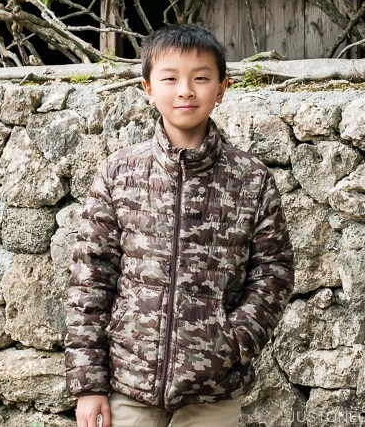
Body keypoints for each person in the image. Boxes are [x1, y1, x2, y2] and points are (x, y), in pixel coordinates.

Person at [65, 24, 294, 427]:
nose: (185, 90)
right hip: (127, 383)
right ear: (148, 88)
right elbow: (91, 280)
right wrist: (89, 385)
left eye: (200, 78)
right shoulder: (120, 173)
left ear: (221, 88)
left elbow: (273, 274)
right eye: (170, 78)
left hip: (213, 390)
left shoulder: (251, 180)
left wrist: (232, 342)